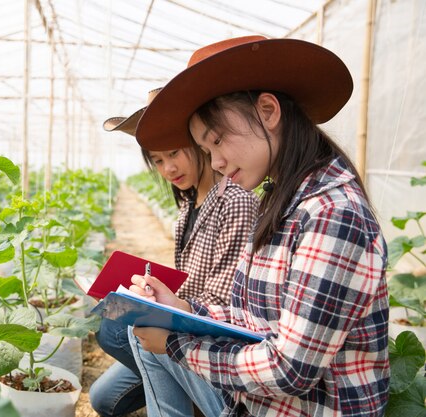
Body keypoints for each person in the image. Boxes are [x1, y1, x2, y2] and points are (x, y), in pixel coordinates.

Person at [126, 35, 389, 417]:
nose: (215, 162)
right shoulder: (283, 201)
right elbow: (252, 320)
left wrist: (174, 344)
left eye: (216, 140)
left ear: (268, 110)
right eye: (206, 150)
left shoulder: (333, 215)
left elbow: (289, 369)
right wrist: (181, 305)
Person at [90, 89, 259, 417]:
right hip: (188, 321)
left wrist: (160, 306)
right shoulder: (189, 204)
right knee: (102, 398)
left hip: (213, 340)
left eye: (173, 154)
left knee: (118, 328)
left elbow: (222, 305)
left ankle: (193, 394)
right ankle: (182, 386)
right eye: (158, 160)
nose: (168, 168)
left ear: (199, 144)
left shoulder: (235, 201)